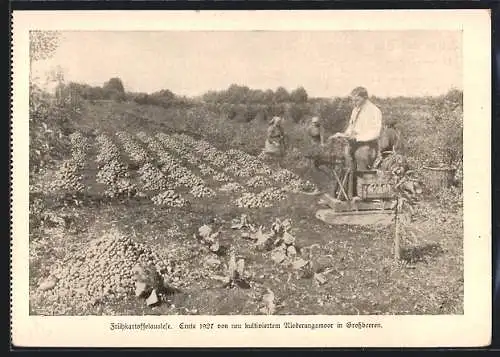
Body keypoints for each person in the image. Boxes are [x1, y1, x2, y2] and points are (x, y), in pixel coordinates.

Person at [333, 86, 382, 171]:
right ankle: (348, 182)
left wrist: (357, 138)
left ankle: (361, 182)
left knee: (360, 156)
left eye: (357, 100)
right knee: (343, 158)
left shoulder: (374, 111)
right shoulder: (355, 110)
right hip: (354, 144)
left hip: (368, 146)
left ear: (365, 98)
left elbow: (376, 132)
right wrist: (344, 135)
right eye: (353, 100)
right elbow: (351, 126)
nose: (354, 103)